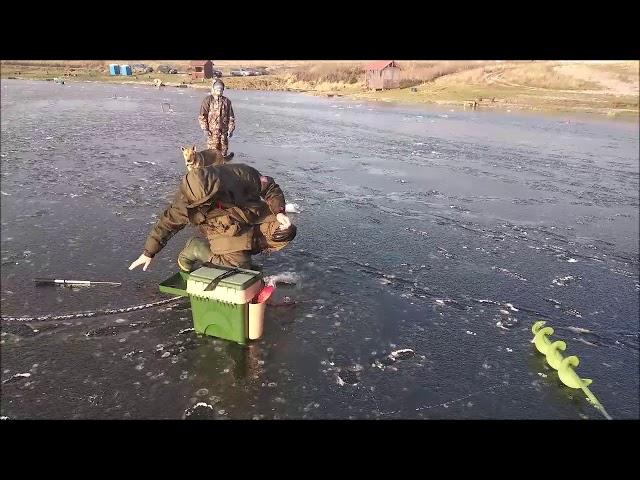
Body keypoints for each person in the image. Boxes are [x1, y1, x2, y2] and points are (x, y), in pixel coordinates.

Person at [128, 163, 297, 272]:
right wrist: (149, 252)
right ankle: (196, 248)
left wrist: (279, 211)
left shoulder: (238, 174)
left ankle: (240, 251)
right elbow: (166, 224)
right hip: (221, 225)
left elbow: (270, 187)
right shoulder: (183, 201)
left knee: (283, 231)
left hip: (248, 213)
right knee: (237, 267)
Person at [198, 79, 235, 158]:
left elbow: (231, 117)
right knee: (212, 156)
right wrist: (205, 129)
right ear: (214, 89)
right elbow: (202, 116)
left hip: (224, 135)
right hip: (212, 134)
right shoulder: (208, 100)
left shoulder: (227, 101)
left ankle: (223, 166)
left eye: (221, 89)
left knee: (223, 156)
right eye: (218, 89)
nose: (219, 90)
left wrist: (231, 130)